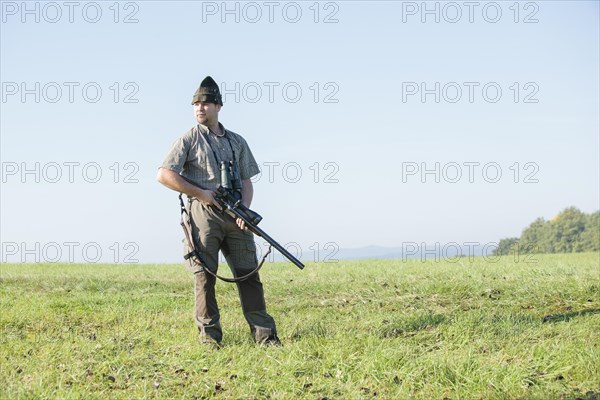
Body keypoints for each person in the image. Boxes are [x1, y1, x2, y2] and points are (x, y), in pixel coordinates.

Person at [157, 76, 280, 347]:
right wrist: (201, 193)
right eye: (196, 104)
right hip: (203, 214)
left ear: (218, 106)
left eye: (206, 103)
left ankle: (265, 337)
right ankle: (210, 339)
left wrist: (243, 211)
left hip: (235, 215)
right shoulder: (187, 140)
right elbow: (164, 175)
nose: (200, 108)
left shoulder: (237, 141)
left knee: (249, 275)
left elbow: (247, 181)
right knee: (204, 277)